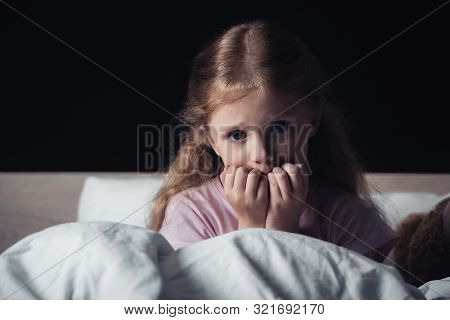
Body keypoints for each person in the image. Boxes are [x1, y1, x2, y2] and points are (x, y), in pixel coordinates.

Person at [148, 20, 398, 263]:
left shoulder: (347, 216)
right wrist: (251, 227)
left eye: (279, 128)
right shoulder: (192, 213)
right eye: (237, 135)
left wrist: (284, 229)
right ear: (210, 138)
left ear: (312, 121)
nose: (262, 154)